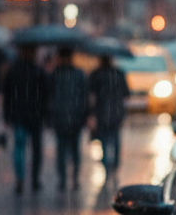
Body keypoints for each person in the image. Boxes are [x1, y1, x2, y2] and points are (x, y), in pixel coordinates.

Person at [3, 43, 48, 194]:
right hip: (34, 115)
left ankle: (20, 179)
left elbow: (7, 95)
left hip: (19, 115)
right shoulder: (39, 71)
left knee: (19, 148)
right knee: (35, 149)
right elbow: (45, 96)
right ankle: (34, 179)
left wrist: (7, 115)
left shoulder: (13, 71)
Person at [49, 47, 89, 190]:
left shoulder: (56, 74)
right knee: (72, 150)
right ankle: (71, 178)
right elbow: (85, 96)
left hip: (65, 117)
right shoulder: (77, 74)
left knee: (65, 150)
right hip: (73, 116)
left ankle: (66, 179)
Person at [89, 55, 129, 185]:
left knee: (105, 141)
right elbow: (126, 93)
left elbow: (91, 93)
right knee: (115, 139)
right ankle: (115, 166)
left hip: (102, 112)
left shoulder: (96, 74)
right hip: (116, 112)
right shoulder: (118, 73)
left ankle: (107, 167)